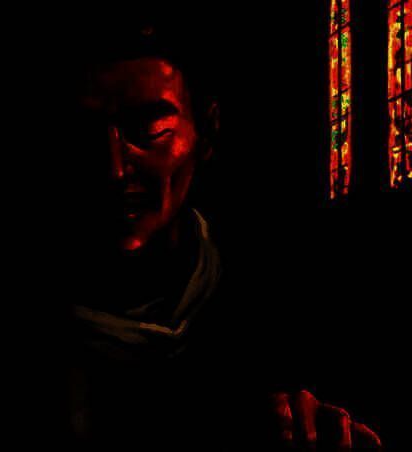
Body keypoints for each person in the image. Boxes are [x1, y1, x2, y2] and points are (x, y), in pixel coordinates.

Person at [66, 23, 382, 449]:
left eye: (150, 131)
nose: (115, 169)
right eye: (85, 136)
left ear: (207, 132)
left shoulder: (272, 291)